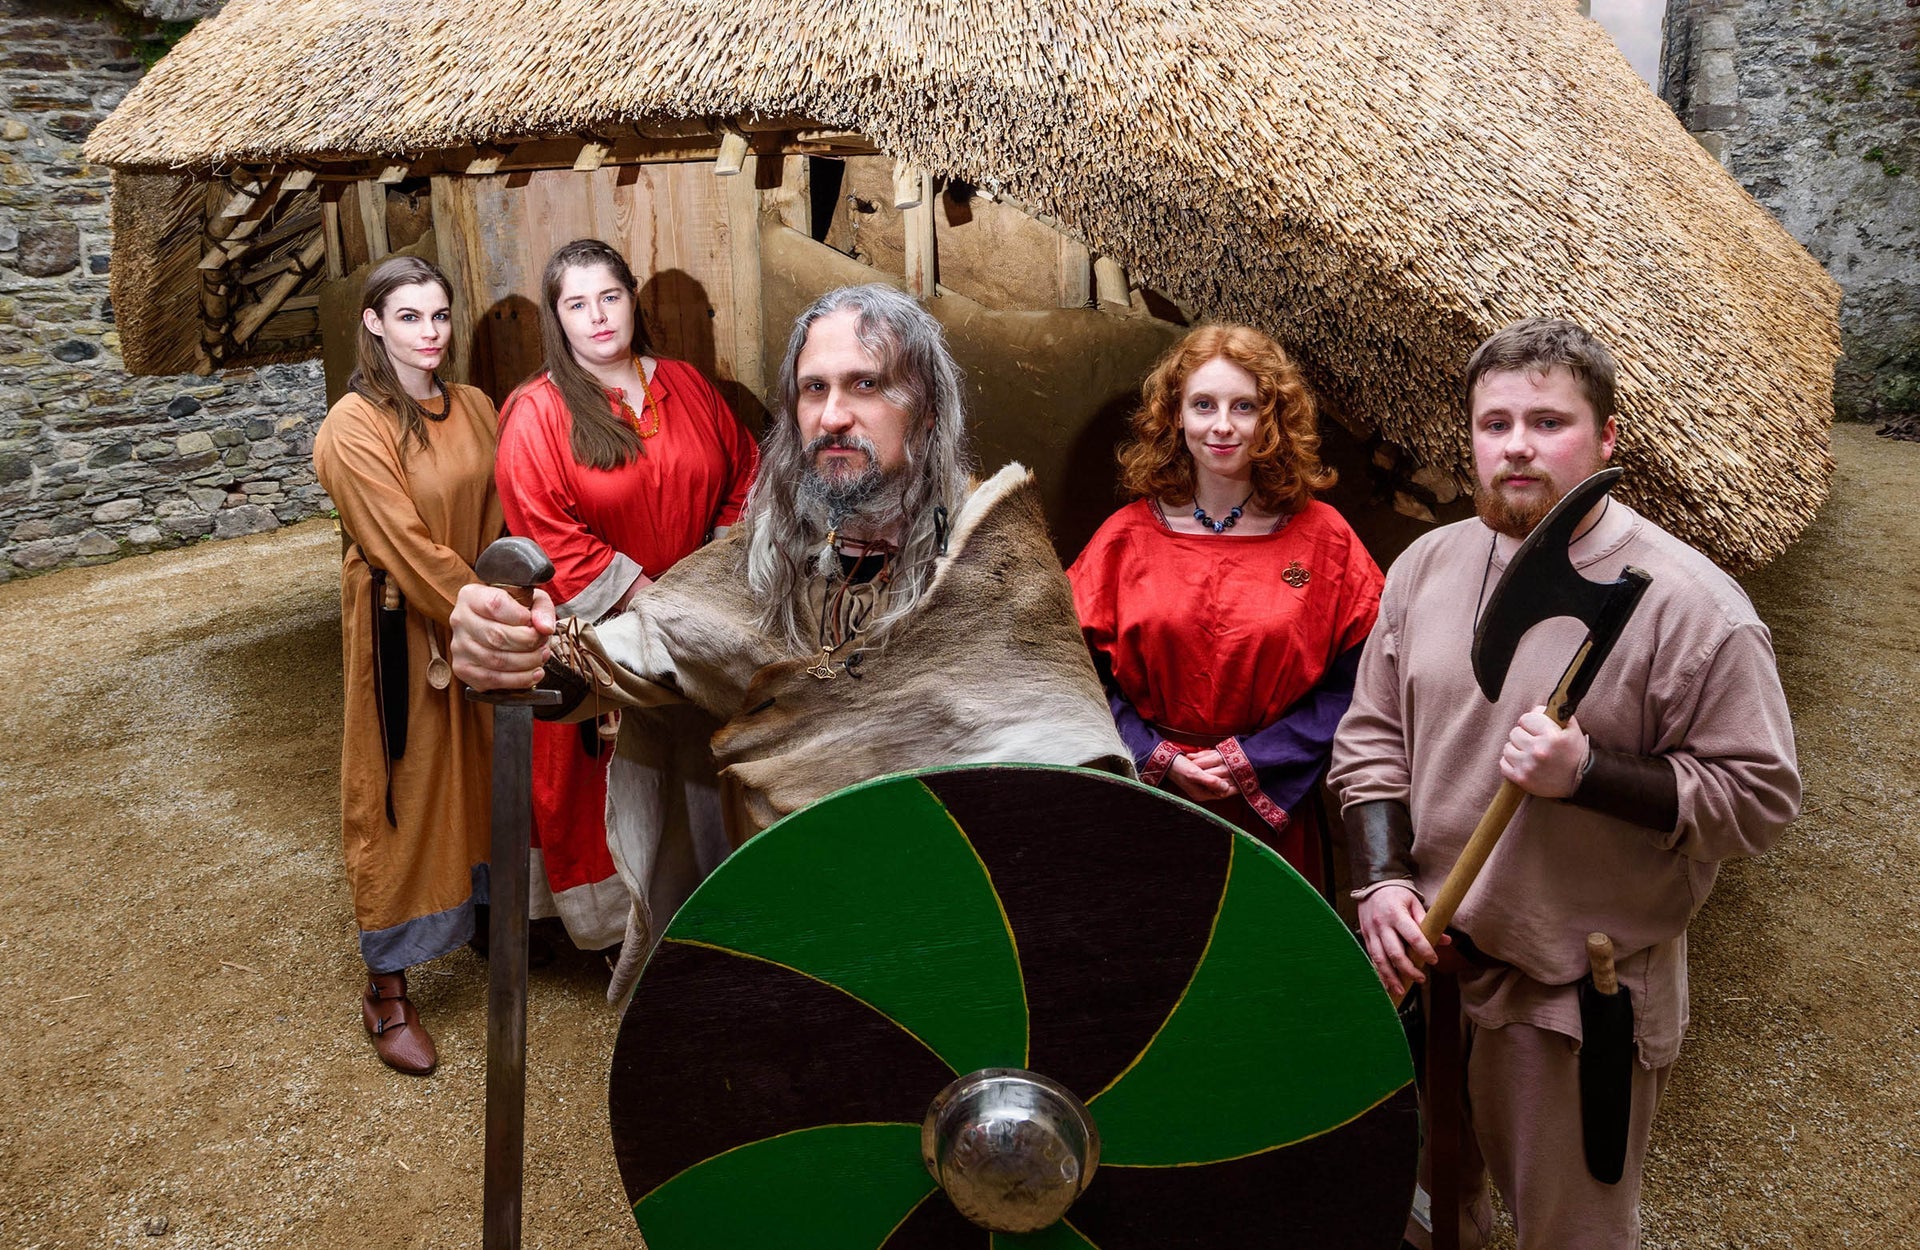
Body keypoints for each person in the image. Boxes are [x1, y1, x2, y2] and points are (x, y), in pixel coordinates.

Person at [451, 284, 1129, 1001]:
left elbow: (1072, 773)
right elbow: (628, 654)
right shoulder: (765, 564)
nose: (833, 416)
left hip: (956, 942)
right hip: (792, 940)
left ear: (926, 407)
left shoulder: (996, 570)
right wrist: (513, 648)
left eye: (866, 385)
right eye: (813, 390)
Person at [1327, 318, 1800, 1249]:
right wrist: (1382, 878)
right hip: (1429, 969)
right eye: (1494, 423)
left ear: (1607, 437)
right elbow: (1372, 737)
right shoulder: (1427, 563)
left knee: (1567, 1237)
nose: (1516, 447)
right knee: (1422, 1215)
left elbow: (1759, 802)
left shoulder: (1691, 607)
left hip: (1572, 998)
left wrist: (1589, 773)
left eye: (1548, 422)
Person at [495, 238, 758, 953]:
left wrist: (713, 576)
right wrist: (654, 602)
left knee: (707, 773)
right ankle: (621, 935)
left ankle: (711, 910)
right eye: (577, 304)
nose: (598, 316)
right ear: (558, 317)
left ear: (631, 298)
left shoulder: (687, 384)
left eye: (609, 296)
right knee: (612, 784)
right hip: (608, 630)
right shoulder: (537, 411)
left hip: (706, 611)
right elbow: (546, 528)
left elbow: (745, 475)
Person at [1067, 325, 1382, 891]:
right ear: (1175, 416)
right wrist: (1150, 753)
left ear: (1272, 418)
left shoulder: (1324, 539)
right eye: (1203, 405)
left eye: (1244, 406)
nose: (1221, 425)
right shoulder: (1124, 538)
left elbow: (1363, 683)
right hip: (1149, 802)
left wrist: (1256, 759)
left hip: (1272, 809)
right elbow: (1070, 673)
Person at [311, 255, 504, 1075]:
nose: (430, 333)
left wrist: (506, 592)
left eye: (441, 316)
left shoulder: (475, 406)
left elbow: (498, 514)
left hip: (477, 615)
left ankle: (489, 919)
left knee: (487, 771)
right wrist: (490, 612)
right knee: (401, 795)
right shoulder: (351, 427)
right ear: (374, 323)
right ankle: (385, 987)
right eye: (411, 316)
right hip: (404, 629)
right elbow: (401, 543)